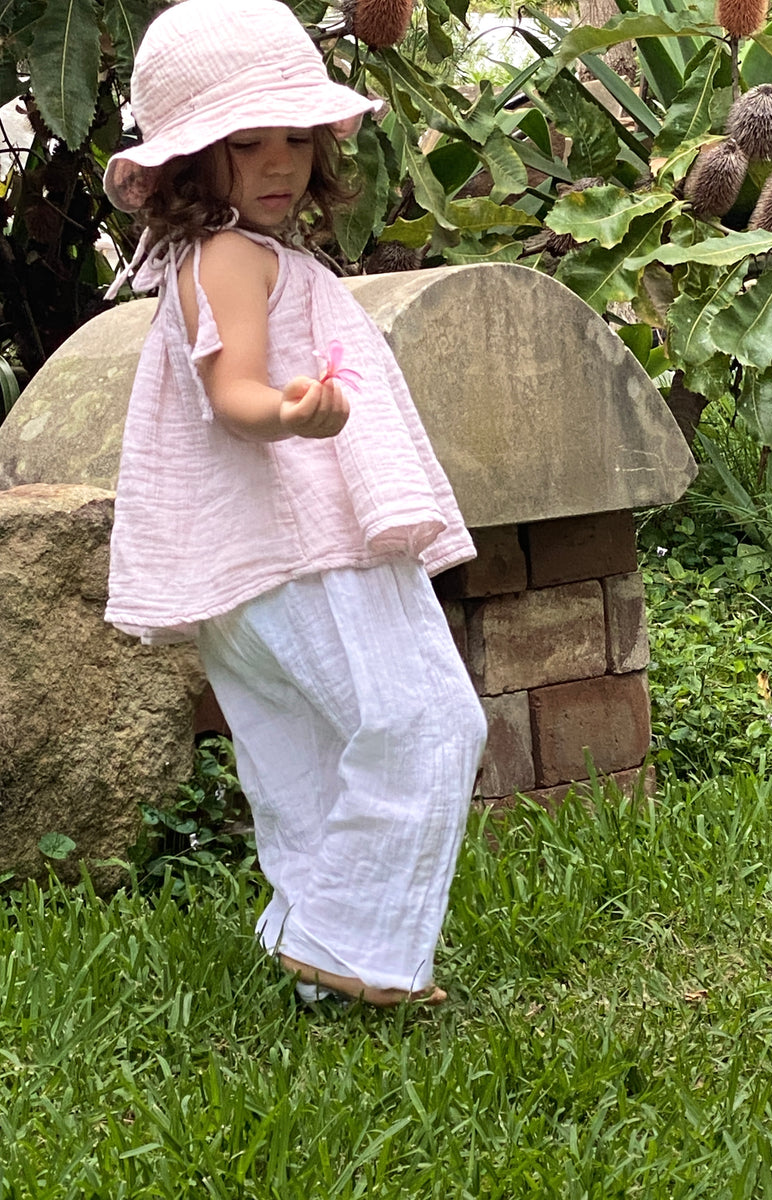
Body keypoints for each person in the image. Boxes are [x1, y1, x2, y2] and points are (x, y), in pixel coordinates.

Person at [103, 0, 487, 1007]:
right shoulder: (232, 257)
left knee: (303, 754)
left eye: (296, 138)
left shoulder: (215, 255)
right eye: (246, 144)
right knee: (426, 721)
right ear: (190, 163)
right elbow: (231, 392)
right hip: (305, 541)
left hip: (245, 559)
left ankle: (314, 952)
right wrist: (288, 412)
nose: (279, 162)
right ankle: (348, 939)